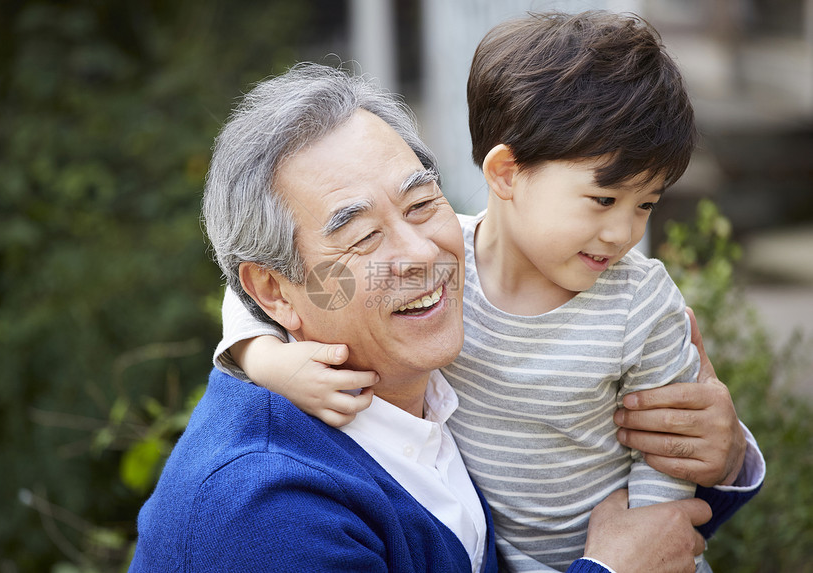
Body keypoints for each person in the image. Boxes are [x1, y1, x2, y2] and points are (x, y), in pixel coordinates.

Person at [218, 11, 765, 573]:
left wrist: (710, 474)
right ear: (505, 172)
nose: (623, 232)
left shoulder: (638, 301)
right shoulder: (443, 257)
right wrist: (267, 359)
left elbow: (667, 467)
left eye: (646, 204)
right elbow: (262, 286)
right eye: (603, 200)